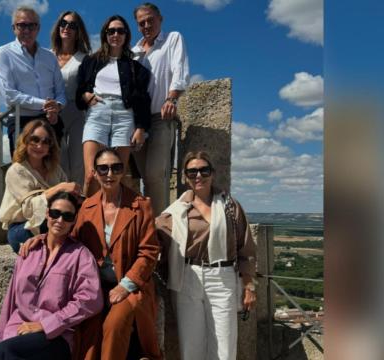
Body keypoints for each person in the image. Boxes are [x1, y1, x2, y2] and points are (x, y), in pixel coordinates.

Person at [20, 148, 162, 360]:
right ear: (94, 173)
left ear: (123, 171)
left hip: (128, 286)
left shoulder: (141, 206)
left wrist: (126, 285)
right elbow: (69, 238)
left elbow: (149, 251)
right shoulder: (87, 207)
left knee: (115, 324)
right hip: (93, 287)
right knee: (88, 330)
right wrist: (41, 239)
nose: (109, 174)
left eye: (116, 168)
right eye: (103, 168)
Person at [155, 151, 257, 360]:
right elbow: (154, 241)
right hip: (188, 277)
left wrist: (248, 285)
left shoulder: (230, 206)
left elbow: (245, 249)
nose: (198, 175)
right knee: (191, 347)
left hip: (223, 277)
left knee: (225, 347)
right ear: (185, 177)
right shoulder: (174, 212)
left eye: (204, 170)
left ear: (213, 173)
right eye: (192, 171)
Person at [0, 191, 103, 360]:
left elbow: (91, 300)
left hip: (55, 336)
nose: (60, 220)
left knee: (1, 354)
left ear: (74, 221)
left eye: (67, 216)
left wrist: (45, 324)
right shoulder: (29, 250)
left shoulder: (80, 256)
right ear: (47, 214)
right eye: (55, 213)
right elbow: (11, 298)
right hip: (16, 329)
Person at [75, 15, 151, 197]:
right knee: (92, 175)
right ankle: (88, 220)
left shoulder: (136, 68)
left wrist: (141, 127)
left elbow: (142, 99)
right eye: (111, 31)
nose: (116, 34)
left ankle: (112, 220)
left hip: (124, 116)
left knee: (116, 176)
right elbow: (79, 91)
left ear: (126, 35)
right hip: (97, 112)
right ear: (105, 34)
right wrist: (85, 95)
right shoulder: (90, 61)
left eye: (120, 31)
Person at [132, 2, 190, 216]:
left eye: (150, 20)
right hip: (137, 122)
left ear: (160, 19)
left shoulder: (172, 39)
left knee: (156, 175)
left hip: (160, 117)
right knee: (143, 177)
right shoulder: (134, 52)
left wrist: (171, 99)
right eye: (141, 23)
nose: (146, 25)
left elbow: (180, 70)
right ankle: (148, 228)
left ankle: (161, 230)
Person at [0, 119, 80, 253]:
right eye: (35, 139)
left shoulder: (55, 170)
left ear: (50, 147)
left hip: (55, 222)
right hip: (23, 226)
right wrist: (59, 188)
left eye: (46, 142)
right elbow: (29, 210)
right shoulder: (17, 170)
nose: (40, 146)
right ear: (25, 141)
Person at [0, 5, 67, 157]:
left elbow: (60, 91)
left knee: (51, 171)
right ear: (14, 28)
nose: (27, 30)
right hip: (22, 120)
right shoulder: (4, 53)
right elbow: (9, 94)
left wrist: (57, 107)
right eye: (21, 25)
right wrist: (45, 104)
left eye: (31, 25)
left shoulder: (50, 57)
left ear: (38, 28)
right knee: (24, 172)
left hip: (50, 120)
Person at [50, 11, 91, 187]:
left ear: (78, 31)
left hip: (77, 112)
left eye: (72, 25)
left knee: (77, 163)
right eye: (63, 23)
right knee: (58, 160)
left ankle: (78, 205)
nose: (67, 28)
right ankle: (61, 203)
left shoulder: (84, 59)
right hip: (54, 113)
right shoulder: (47, 56)